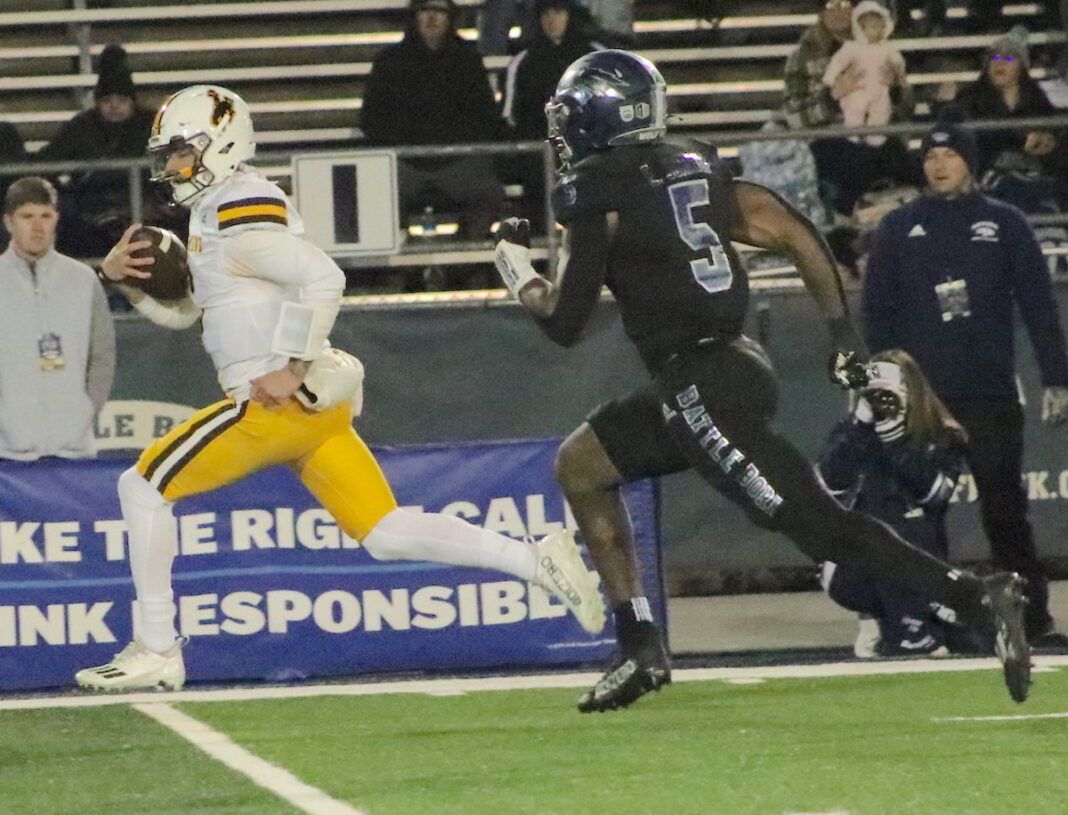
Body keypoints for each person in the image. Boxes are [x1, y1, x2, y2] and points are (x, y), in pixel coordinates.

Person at [494, 50, 1032, 711]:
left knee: (821, 527)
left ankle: (977, 595)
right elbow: (797, 232)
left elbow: (565, 322)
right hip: (730, 366)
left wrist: (517, 270)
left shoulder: (597, 193)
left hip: (698, 386)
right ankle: (640, 644)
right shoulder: (693, 164)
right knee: (581, 464)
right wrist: (843, 340)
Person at [74, 85, 605, 692]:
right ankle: (537, 561)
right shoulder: (217, 208)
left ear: (219, 145)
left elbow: (324, 278)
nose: (170, 166)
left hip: (273, 404)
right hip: (312, 412)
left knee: (141, 485)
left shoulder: (234, 209)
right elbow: (188, 314)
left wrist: (293, 366)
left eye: (180, 152)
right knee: (383, 531)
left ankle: (156, 646)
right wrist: (128, 284)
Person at [863, 121, 1068, 649]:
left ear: (970, 164)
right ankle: (925, 616)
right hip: (921, 399)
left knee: (1004, 507)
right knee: (918, 513)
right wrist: (877, 384)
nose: (939, 164)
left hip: (990, 390)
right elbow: (877, 315)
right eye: (932, 156)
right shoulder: (898, 227)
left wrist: (1056, 377)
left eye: (951, 155)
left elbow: (1040, 307)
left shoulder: (1005, 223)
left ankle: (1028, 615)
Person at [817, 350, 968, 657]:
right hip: (851, 569)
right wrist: (861, 424)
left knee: (975, 638)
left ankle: (895, 623)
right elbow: (831, 485)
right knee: (890, 523)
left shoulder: (943, 436)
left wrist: (896, 438)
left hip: (921, 567)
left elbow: (935, 496)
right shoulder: (854, 432)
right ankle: (907, 632)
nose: (884, 402)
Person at [361, 0, 507, 241]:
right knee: (374, 192)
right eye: (425, 12)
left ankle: (461, 262)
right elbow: (371, 119)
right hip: (404, 163)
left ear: (450, 18)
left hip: (458, 162)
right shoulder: (389, 61)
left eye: (439, 12)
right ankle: (401, 264)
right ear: (414, 17)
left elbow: (485, 115)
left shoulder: (467, 59)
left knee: (488, 193)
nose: (432, 18)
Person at [0, 176, 115, 460]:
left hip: (75, 452)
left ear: (56, 219)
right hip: (7, 457)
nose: (37, 227)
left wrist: (86, 410)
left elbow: (102, 355)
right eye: (27, 216)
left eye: (46, 216)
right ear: (8, 222)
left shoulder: (83, 279)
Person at [37, 44, 156, 259]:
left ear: (132, 102)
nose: (114, 106)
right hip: (89, 213)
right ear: (97, 102)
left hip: (148, 208)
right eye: (107, 101)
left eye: (121, 101)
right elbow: (47, 162)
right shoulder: (81, 126)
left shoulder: (151, 124)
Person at [503, 0, 599, 228]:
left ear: (570, 15)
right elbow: (511, 118)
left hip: (589, 154)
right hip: (540, 157)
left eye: (558, 11)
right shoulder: (523, 62)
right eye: (546, 13)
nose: (551, 19)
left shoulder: (595, 57)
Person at [934, 27, 1066, 185]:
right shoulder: (970, 99)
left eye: (1009, 58)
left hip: (1034, 175)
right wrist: (1021, 141)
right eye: (995, 57)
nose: (1000, 63)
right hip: (986, 177)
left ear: (1022, 67)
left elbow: (1052, 133)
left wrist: (1050, 143)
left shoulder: (1037, 100)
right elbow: (970, 136)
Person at [822, 1, 907, 148]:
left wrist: (898, 81)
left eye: (844, 4)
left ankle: (876, 137)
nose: (838, 10)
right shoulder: (850, 48)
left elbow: (906, 102)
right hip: (854, 97)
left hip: (880, 91)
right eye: (831, 5)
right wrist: (831, 91)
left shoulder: (887, 48)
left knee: (881, 111)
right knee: (855, 107)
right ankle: (853, 134)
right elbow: (837, 63)